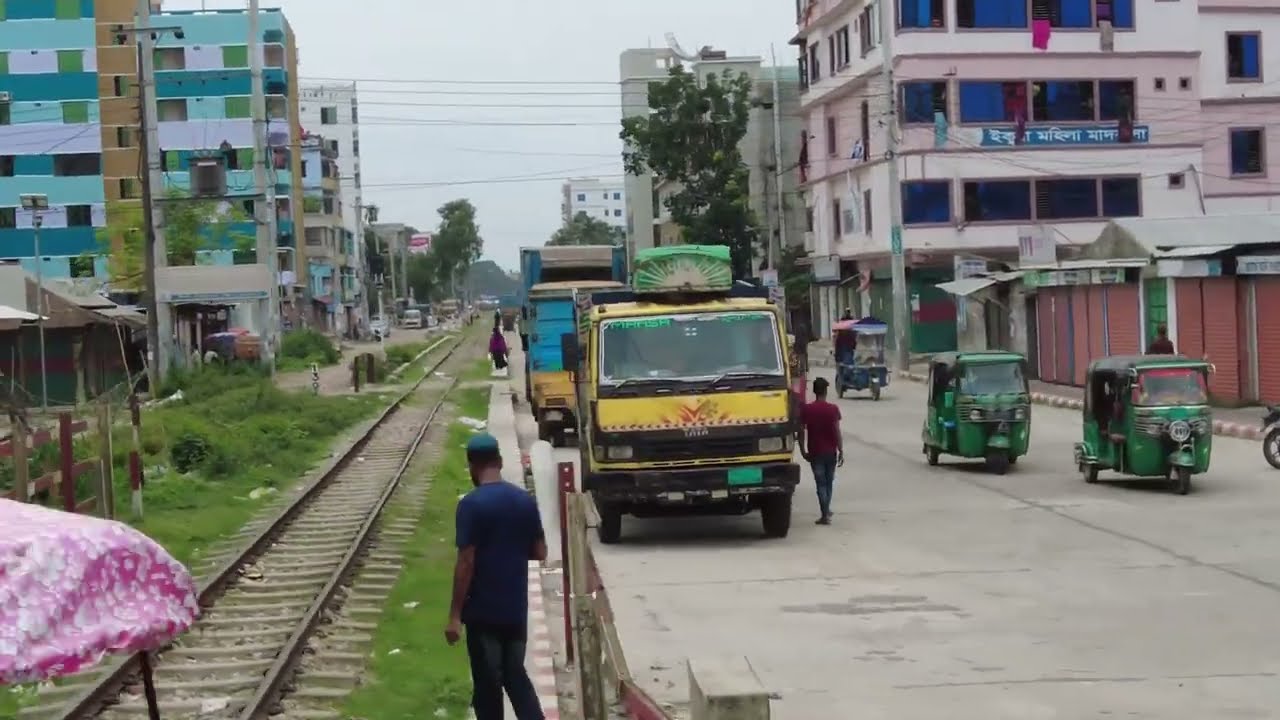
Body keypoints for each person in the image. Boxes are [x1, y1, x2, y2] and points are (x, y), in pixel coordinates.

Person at [446, 433, 547, 720]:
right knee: (515, 676)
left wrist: (455, 615)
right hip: (515, 611)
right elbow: (540, 552)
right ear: (500, 462)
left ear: (472, 466)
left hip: (482, 615)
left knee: (488, 687)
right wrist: (510, 550)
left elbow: (466, 561)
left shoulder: (471, 505)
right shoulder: (524, 501)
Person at [797, 377, 843, 525]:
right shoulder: (833, 409)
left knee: (820, 484)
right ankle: (826, 511)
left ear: (815, 391)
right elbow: (837, 431)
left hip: (815, 452)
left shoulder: (807, 409)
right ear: (825, 391)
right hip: (830, 452)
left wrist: (802, 450)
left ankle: (825, 513)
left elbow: (801, 431)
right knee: (828, 482)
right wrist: (841, 450)